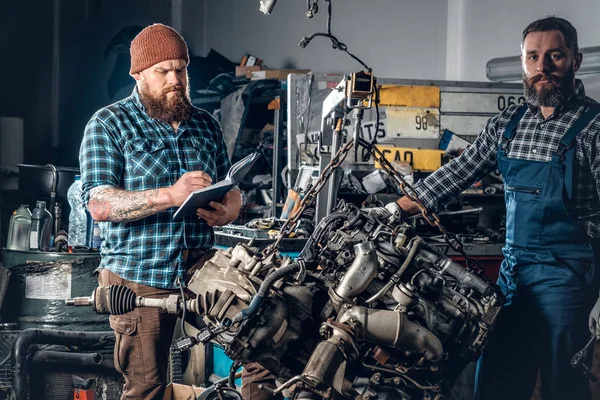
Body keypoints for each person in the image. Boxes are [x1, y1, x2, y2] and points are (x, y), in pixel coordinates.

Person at [392, 16, 600, 400]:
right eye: (533, 57)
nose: (542, 67)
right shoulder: (508, 124)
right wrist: (394, 210)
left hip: (568, 281)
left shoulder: (594, 127)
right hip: (512, 277)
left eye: (554, 55)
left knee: (562, 387)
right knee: (497, 379)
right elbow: (456, 173)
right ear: (523, 62)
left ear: (575, 60)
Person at [79, 23, 241, 399]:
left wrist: (229, 210)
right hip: (138, 274)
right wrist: (170, 195)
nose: (175, 79)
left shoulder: (206, 125)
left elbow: (233, 189)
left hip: (201, 266)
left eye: (181, 69)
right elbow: (99, 204)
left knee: (264, 338)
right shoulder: (109, 124)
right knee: (147, 387)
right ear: (137, 74)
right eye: (162, 71)